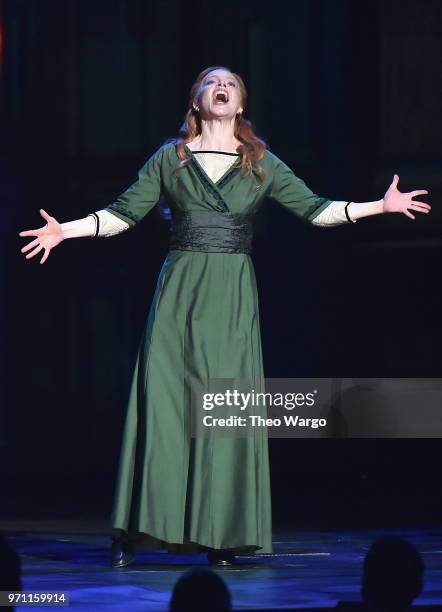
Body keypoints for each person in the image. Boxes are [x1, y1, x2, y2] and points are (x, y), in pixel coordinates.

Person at [19, 66, 431, 567]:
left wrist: (380, 208)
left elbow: (316, 210)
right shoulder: (169, 160)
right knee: (166, 406)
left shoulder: (261, 163)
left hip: (232, 297)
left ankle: (222, 533)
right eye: (212, 82)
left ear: (240, 105)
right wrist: (65, 230)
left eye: (231, 84)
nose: (222, 87)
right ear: (197, 100)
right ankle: (137, 529)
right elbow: (122, 214)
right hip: (179, 294)